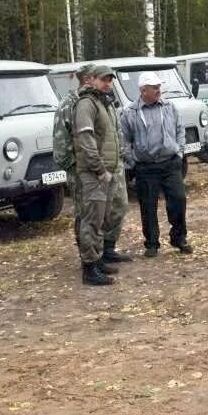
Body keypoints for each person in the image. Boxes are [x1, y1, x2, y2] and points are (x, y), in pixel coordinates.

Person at [121, 71, 192, 257]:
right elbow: (124, 141)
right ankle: (152, 243)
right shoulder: (130, 112)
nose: (159, 90)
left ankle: (179, 238)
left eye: (159, 87)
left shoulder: (170, 107)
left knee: (178, 200)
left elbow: (180, 130)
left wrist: (179, 152)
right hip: (145, 167)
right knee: (148, 206)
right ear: (143, 90)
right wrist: (133, 163)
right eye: (154, 87)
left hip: (170, 163)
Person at [72, 65, 128, 283]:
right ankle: (89, 271)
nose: (108, 83)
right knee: (92, 221)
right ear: (91, 80)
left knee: (103, 219)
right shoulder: (86, 104)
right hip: (95, 174)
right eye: (103, 79)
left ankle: (97, 261)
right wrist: (99, 170)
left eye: (110, 80)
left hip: (109, 171)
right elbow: (85, 140)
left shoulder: (102, 103)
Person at [53, 63, 95, 248]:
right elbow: (61, 147)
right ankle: (87, 258)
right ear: (87, 79)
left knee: (96, 213)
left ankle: (98, 254)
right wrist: (76, 168)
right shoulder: (68, 105)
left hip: (93, 169)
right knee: (84, 213)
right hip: (78, 171)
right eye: (99, 77)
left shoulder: (92, 101)